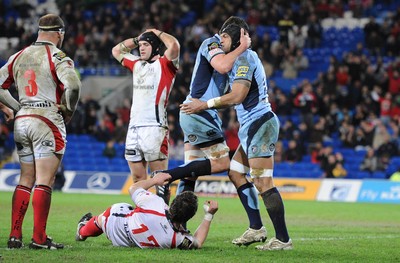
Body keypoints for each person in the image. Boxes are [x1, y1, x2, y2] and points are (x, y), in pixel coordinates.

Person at [180, 20, 292, 251]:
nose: (221, 42)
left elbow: (238, 95)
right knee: (235, 172)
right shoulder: (235, 59)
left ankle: (282, 239)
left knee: (262, 182)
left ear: (237, 39)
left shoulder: (245, 58)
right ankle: (256, 228)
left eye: (225, 39)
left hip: (260, 124)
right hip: (251, 127)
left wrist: (204, 105)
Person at [0, 14, 81, 249]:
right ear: (59, 33)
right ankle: (39, 238)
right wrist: (69, 109)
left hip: (23, 121)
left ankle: (15, 235)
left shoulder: (19, 55)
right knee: (45, 180)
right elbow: (73, 85)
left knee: (26, 178)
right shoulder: (57, 56)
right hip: (46, 120)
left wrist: (18, 107)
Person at [154, 16, 251, 205]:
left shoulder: (231, 55)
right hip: (200, 114)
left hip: (197, 113)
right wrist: (243, 47)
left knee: (190, 173)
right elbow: (222, 67)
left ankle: (177, 223)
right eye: (240, 38)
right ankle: (165, 176)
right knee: (222, 163)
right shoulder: (212, 44)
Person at [111, 28, 180, 189]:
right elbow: (116, 50)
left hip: (154, 127)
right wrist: (138, 38)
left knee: (160, 180)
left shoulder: (165, 64)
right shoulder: (136, 64)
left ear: (155, 47)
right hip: (134, 128)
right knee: (137, 179)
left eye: (146, 45)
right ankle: (142, 213)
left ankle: (162, 214)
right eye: (139, 45)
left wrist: (156, 32)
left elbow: (174, 45)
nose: (140, 48)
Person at [75, 172, 218, 249]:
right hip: (124, 242)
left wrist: (155, 180)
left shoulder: (156, 203)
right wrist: (208, 215)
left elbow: (133, 188)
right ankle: (84, 228)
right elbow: (198, 241)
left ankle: (82, 232)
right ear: (189, 217)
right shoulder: (177, 239)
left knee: (107, 216)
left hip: (115, 225)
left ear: (174, 202)